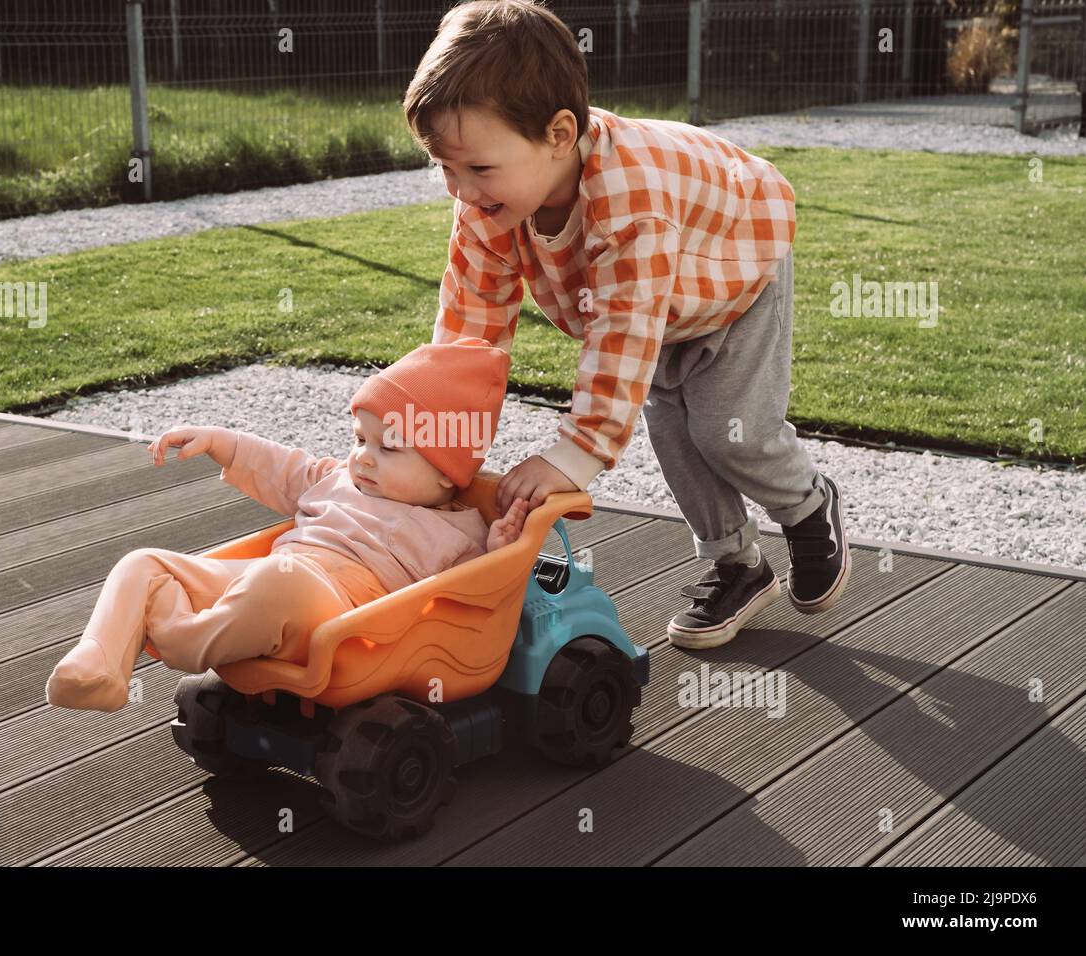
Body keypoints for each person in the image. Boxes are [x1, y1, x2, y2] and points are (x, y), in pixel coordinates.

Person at [406, 0, 850, 650]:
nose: (458, 190)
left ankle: (809, 508)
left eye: (476, 168)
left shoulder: (628, 202)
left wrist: (574, 453)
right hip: (655, 303)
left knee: (730, 434)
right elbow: (470, 333)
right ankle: (738, 565)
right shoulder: (487, 205)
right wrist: (442, 451)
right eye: (443, 167)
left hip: (732, 264)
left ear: (559, 136)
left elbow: (623, 331)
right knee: (673, 433)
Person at [45, 337, 528, 711]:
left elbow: (468, 599)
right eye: (360, 438)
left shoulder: (457, 530)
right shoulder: (337, 479)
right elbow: (280, 466)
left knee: (281, 580)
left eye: (390, 447)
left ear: (447, 471)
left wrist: (499, 548)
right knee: (145, 562)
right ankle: (99, 665)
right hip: (269, 582)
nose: (364, 458)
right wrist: (218, 440)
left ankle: (176, 635)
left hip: (340, 617)